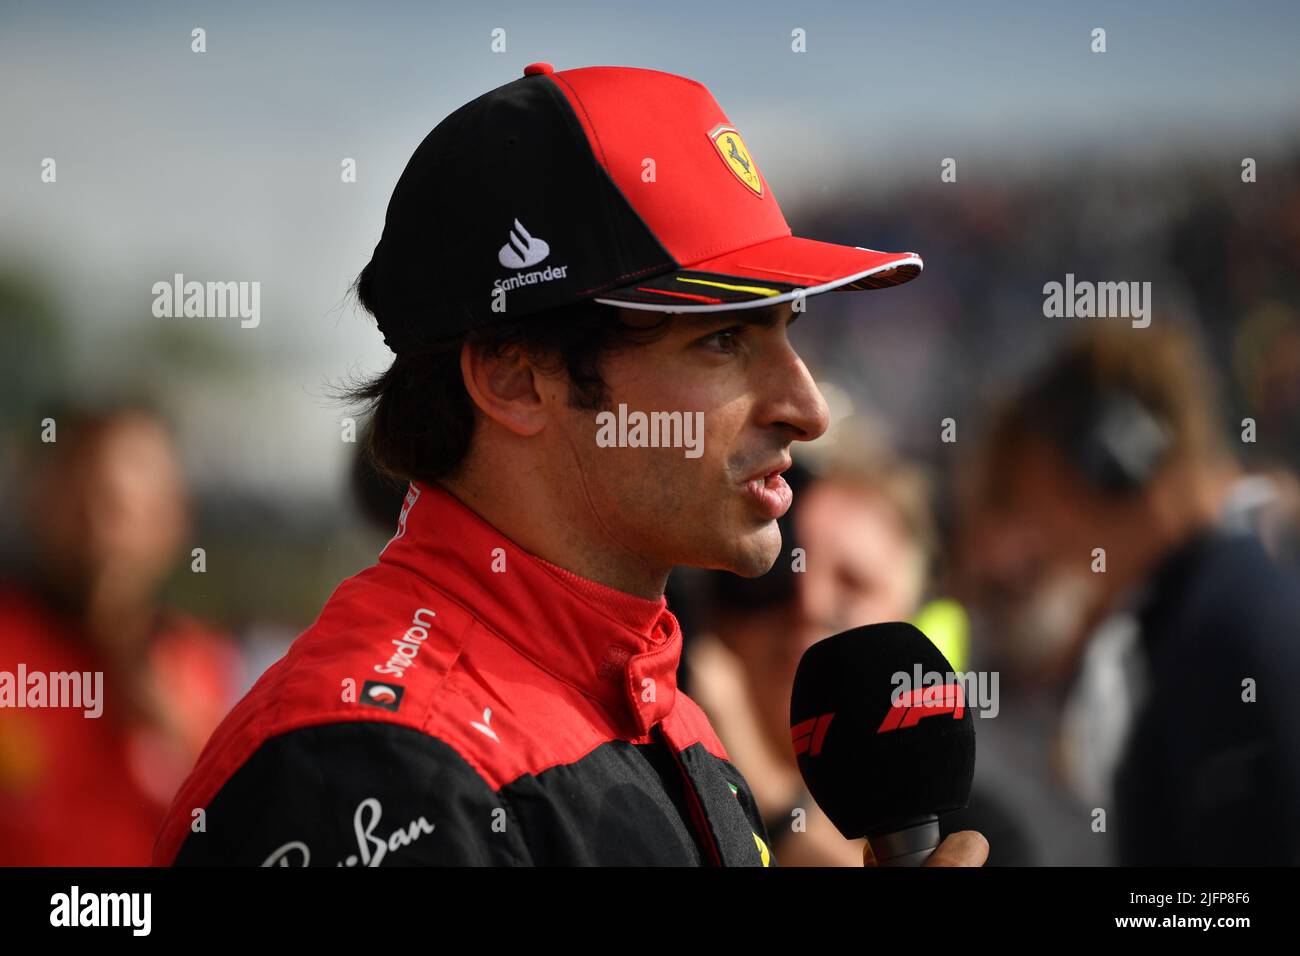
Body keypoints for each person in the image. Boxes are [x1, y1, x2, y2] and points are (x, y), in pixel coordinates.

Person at [153, 62, 987, 867]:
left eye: (787, 330)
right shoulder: (365, 773)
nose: (805, 409)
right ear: (515, 378)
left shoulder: (669, 716)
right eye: (722, 340)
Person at [958, 323, 1300, 864]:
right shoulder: (1197, 627)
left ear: (1115, 460)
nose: (1036, 540)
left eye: (1032, 497)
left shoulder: (1232, 639)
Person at [0, 404, 243, 865]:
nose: (100, 533)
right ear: (41, 506)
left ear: (173, 520)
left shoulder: (200, 668)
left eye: (120, 508)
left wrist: (184, 740)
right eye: (80, 502)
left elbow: (245, 833)